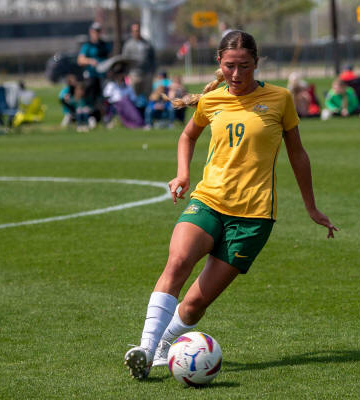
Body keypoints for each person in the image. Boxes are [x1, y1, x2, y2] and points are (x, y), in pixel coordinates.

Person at [123, 30, 338, 380]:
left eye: (244, 66)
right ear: (219, 64)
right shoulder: (211, 101)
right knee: (177, 263)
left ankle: (164, 344)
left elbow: (298, 154)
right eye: (229, 66)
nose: (236, 74)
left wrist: (311, 208)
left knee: (195, 303)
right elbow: (187, 136)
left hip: (253, 217)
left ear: (257, 63)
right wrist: (182, 174)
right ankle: (146, 351)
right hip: (208, 201)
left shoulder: (280, 99)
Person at [77, 22, 111, 118]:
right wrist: (90, 61)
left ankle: (105, 116)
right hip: (92, 75)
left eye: (98, 31)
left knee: (105, 96)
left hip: (103, 75)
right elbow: (80, 60)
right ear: (91, 32)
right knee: (91, 94)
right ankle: (90, 115)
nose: (96, 33)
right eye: (95, 31)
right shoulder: (87, 46)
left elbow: (109, 57)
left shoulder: (105, 45)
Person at [122, 23, 156, 98]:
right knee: (134, 97)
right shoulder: (128, 45)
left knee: (147, 96)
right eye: (134, 31)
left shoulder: (147, 43)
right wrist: (126, 74)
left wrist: (152, 71)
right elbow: (124, 60)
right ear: (132, 32)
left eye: (137, 30)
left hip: (147, 74)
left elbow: (152, 58)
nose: (136, 32)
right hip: (134, 75)